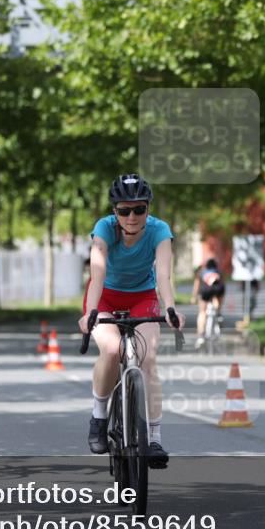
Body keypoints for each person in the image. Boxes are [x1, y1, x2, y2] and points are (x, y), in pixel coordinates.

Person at [78, 174, 185, 468]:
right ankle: (99, 417)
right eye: (124, 210)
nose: (132, 216)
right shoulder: (104, 229)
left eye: (139, 209)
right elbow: (97, 272)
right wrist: (89, 312)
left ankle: (154, 439)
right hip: (105, 298)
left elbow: (163, 275)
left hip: (143, 296)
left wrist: (172, 308)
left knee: (147, 359)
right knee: (112, 349)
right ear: (115, 211)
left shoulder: (159, 230)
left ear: (148, 209)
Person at [191, 258, 225, 349]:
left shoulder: (202, 272)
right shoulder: (219, 272)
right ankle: (218, 313)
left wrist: (194, 297)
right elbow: (222, 284)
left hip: (206, 290)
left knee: (202, 312)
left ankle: (201, 336)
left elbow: (197, 285)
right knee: (218, 297)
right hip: (218, 289)